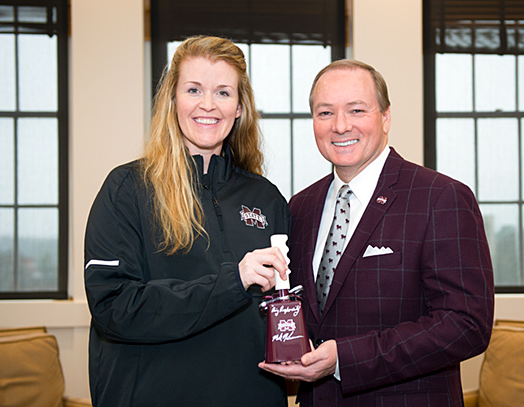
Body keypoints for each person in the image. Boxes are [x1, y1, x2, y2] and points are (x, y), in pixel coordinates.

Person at [259, 60, 495, 406]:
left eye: (356, 110)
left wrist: (345, 359)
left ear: (386, 117)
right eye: (325, 113)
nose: (340, 125)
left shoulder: (441, 197)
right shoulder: (301, 206)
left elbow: (467, 324)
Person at [84, 36, 290, 407]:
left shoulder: (266, 198)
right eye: (193, 90)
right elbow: (114, 308)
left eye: (223, 92)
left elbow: (283, 308)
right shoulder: (127, 189)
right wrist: (234, 281)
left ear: (239, 107)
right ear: (172, 100)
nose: (208, 104)